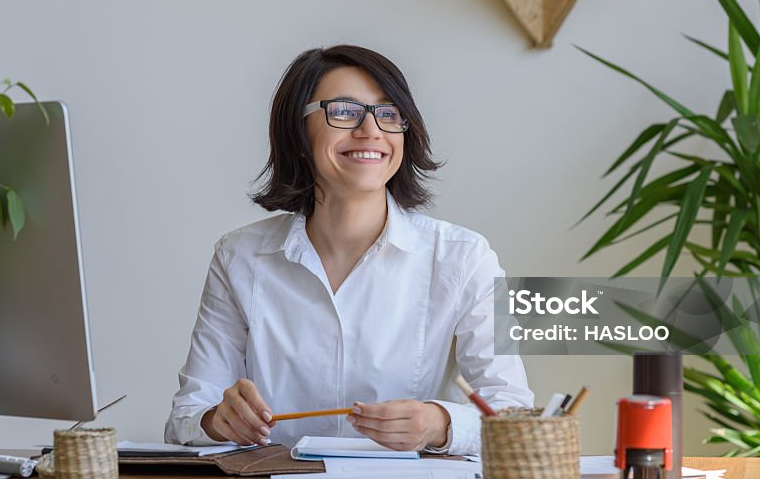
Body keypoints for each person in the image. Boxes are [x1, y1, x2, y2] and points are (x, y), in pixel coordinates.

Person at [165, 45, 532, 455]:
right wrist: (218, 420)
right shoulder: (239, 256)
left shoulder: (466, 257)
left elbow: (513, 411)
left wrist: (439, 424)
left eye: (388, 113)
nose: (371, 131)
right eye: (344, 111)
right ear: (298, 132)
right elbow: (187, 416)